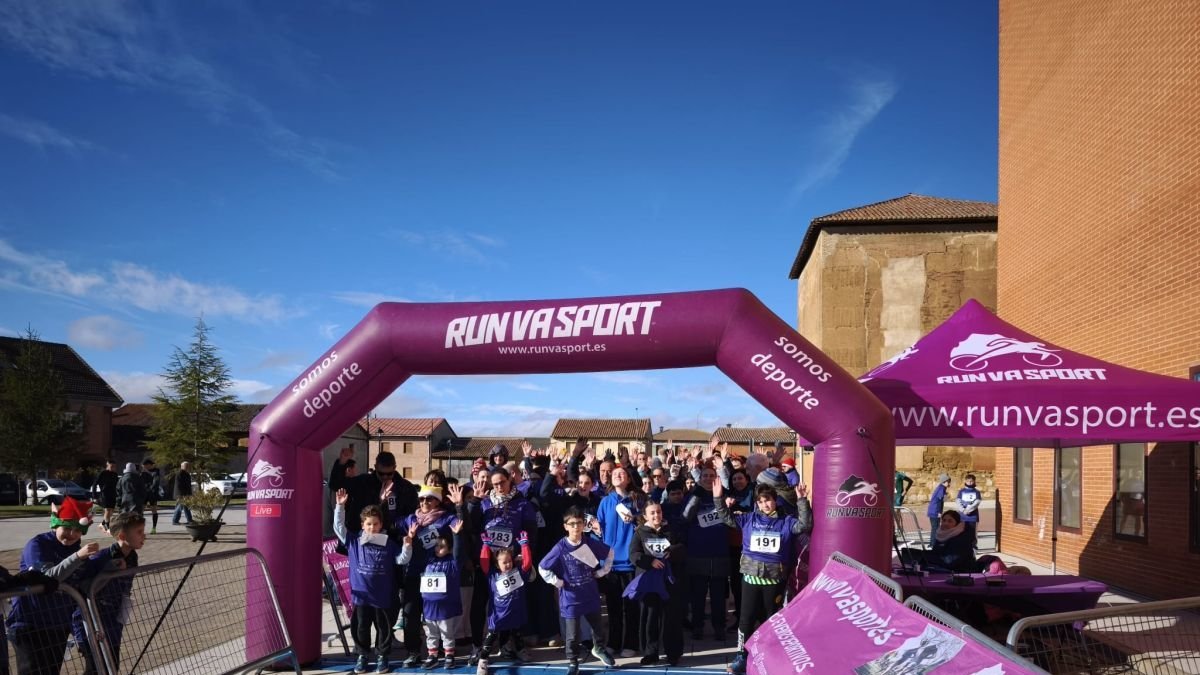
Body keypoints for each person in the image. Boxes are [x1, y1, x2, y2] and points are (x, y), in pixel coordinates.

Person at [710, 478, 812, 675]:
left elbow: (804, 525)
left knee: (770, 620)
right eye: (761, 501)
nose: (765, 504)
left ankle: (769, 655)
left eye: (769, 500)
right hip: (750, 578)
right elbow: (725, 518)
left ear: (775, 501)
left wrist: (801, 500)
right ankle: (741, 656)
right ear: (757, 503)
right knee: (745, 620)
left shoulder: (787, 522)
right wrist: (717, 498)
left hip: (774, 580)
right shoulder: (749, 519)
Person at [8, 497, 112, 674]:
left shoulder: (75, 548)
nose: (71, 534)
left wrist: (112, 564)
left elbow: (86, 577)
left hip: (57, 625)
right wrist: (78, 557)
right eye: (67, 528)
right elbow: (46, 577)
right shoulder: (38, 545)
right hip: (29, 624)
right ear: (55, 525)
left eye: (77, 531)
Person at [538, 506, 617, 675]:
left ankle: (599, 649)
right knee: (573, 635)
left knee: (598, 628)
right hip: (570, 599)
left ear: (583, 525)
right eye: (572, 524)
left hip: (590, 594)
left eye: (579, 523)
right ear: (565, 526)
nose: (575, 527)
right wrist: (556, 581)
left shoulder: (588, 542)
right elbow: (543, 567)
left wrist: (603, 571)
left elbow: (610, 552)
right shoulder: (560, 547)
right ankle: (573, 661)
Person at [395, 484, 468, 666]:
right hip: (414, 573)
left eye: (429, 499)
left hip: (437, 574)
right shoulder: (411, 519)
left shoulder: (445, 519)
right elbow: (391, 523)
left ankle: (445, 650)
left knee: (440, 617)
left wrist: (459, 506)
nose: (424, 502)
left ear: (437, 501)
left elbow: (460, 526)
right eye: (421, 499)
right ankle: (413, 651)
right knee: (410, 614)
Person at [334, 489, 405, 674]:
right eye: (368, 524)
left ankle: (382, 656)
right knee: (361, 628)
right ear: (362, 525)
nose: (372, 528)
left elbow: (402, 559)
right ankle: (362, 655)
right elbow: (338, 527)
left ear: (381, 524)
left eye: (375, 524)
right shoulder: (353, 541)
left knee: (384, 629)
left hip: (382, 596)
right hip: (361, 597)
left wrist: (407, 545)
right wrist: (340, 506)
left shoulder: (389, 543)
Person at [79, 511, 145, 674]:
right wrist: (107, 572)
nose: (144, 536)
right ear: (122, 536)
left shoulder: (132, 557)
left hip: (113, 621)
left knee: (112, 666)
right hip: (92, 621)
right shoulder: (101, 558)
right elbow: (84, 588)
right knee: (95, 667)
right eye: (139, 532)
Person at [624, 501, 686, 666]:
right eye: (652, 513)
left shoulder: (671, 531)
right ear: (645, 516)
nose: (656, 515)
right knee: (650, 617)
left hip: (669, 582)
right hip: (649, 582)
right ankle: (650, 652)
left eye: (658, 512)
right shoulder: (639, 533)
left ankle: (673, 653)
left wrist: (672, 552)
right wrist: (649, 561)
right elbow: (633, 554)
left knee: (671, 618)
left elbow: (683, 547)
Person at [594, 465, 642, 657]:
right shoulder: (605, 502)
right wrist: (600, 559)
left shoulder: (638, 500)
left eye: (621, 473)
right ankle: (613, 642)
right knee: (613, 607)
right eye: (614, 474)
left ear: (628, 478)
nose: (617, 476)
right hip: (610, 564)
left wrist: (636, 519)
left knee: (631, 607)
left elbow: (646, 525)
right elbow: (598, 532)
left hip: (630, 562)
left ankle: (631, 643)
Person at [473, 532, 534, 674]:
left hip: (516, 611)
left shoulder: (518, 572)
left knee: (517, 632)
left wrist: (525, 546)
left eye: (509, 561)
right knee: (491, 637)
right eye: (504, 562)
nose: (508, 564)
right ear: (496, 564)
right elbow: (484, 563)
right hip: (498, 615)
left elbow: (527, 565)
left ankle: (520, 650)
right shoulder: (492, 575)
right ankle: (483, 660)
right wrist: (486, 547)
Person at [682, 463, 729, 641]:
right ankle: (697, 626)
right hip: (697, 552)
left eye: (712, 475)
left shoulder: (724, 495)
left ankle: (719, 627)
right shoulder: (692, 496)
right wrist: (697, 494)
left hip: (719, 552)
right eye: (705, 476)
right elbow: (685, 517)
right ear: (699, 479)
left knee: (718, 596)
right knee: (698, 596)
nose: (708, 479)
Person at [957, 473, 981, 544]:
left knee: (972, 533)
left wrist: (969, 510)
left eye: (971, 481)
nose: (969, 483)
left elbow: (976, 503)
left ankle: (973, 546)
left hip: (972, 517)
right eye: (968, 481)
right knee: (962, 532)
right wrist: (963, 510)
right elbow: (958, 501)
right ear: (965, 481)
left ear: (974, 481)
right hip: (963, 516)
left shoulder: (976, 492)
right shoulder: (961, 491)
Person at [95, 460, 119, 531]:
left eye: (114, 466)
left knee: (111, 511)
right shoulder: (103, 473)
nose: (113, 468)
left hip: (113, 494)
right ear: (107, 465)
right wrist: (95, 495)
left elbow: (117, 485)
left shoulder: (115, 474)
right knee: (107, 510)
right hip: (105, 494)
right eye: (111, 466)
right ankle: (107, 527)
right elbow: (95, 484)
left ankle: (103, 523)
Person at [927, 473, 950, 545]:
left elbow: (943, 499)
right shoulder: (941, 488)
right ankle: (933, 543)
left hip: (932, 510)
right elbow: (940, 501)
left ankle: (932, 542)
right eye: (948, 482)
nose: (949, 483)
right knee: (936, 528)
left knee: (935, 527)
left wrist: (946, 495)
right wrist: (939, 512)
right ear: (944, 482)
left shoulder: (942, 488)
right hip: (935, 511)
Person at [140, 458, 162, 533]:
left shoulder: (156, 471)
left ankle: (154, 528)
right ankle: (140, 528)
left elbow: (156, 481)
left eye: (144, 466)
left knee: (154, 510)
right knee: (141, 510)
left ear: (148, 465)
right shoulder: (142, 472)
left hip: (152, 494)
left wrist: (151, 489)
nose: (143, 467)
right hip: (143, 493)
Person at [171, 462, 194, 526]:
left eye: (188, 466)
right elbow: (179, 486)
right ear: (182, 466)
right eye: (187, 466)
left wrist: (189, 494)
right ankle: (175, 520)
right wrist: (182, 495)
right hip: (181, 494)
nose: (188, 467)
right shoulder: (180, 473)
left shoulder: (187, 474)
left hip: (185, 494)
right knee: (180, 507)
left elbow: (188, 486)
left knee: (185, 507)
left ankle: (189, 520)